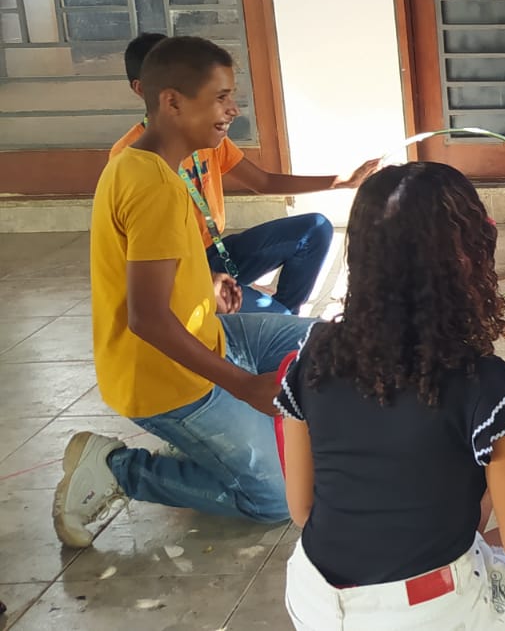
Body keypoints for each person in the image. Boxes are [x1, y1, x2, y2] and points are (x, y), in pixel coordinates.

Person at [276, 162, 505, 629]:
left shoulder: (315, 352)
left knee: (484, 491)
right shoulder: (491, 387)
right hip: (428, 615)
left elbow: (302, 509)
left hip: (316, 602)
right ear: (471, 257)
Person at [53, 36, 320, 548]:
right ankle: (118, 468)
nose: (233, 110)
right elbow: (147, 320)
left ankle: (213, 442)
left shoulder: (152, 166)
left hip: (213, 335)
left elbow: (159, 269)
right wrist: (243, 386)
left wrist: (208, 280)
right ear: (172, 101)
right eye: (221, 97)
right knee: (274, 498)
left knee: (331, 345)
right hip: (166, 382)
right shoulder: (149, 183)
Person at [111, 33, 378, 315]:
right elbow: (144, 289)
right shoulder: (132, 162)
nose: (233, 110)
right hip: (179, 269)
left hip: (216, 253)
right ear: (149, 91)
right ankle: (276, 326)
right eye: (219, 96)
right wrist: (201, 282)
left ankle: (279, 324)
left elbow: (262, 181)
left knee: (315, 230)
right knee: (280, 325)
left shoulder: (205, 137)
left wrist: (342, 181)